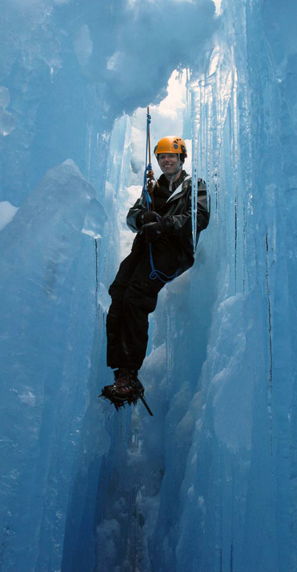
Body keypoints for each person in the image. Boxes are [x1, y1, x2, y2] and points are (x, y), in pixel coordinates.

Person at [101, 135, 210, 410]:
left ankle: (130, 373)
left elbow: (200, 216)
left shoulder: (193, 185)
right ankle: (119, 368)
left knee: (137, 297)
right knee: (119, 292)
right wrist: (143, 218)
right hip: (146, 248)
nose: (167, 160)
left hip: (172, 252)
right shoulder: (153, 187)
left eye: (172, 156)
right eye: (162, 157)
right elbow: (131, 216)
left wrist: (164, 224)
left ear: (181, 158)